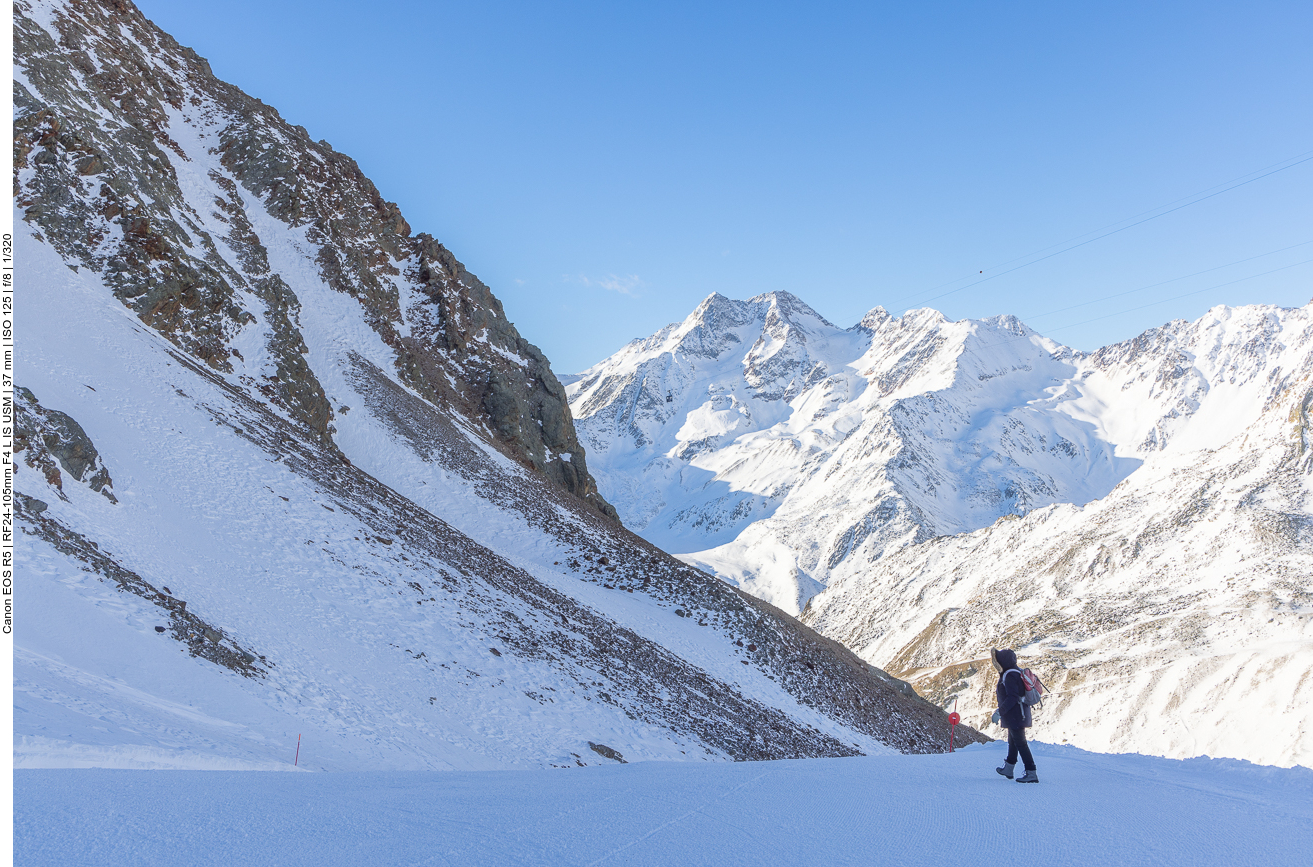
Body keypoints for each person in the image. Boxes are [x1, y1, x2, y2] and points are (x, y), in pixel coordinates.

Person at [991, 647, 1038, 783]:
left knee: (1021, 743)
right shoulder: (1016, 672)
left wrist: (1000, 711)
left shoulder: (1010, 675)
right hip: (1019, 714)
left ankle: (1031, 772)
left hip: (1016, 715)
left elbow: (1012, 697)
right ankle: (1009, 768)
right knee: (1013, 741)